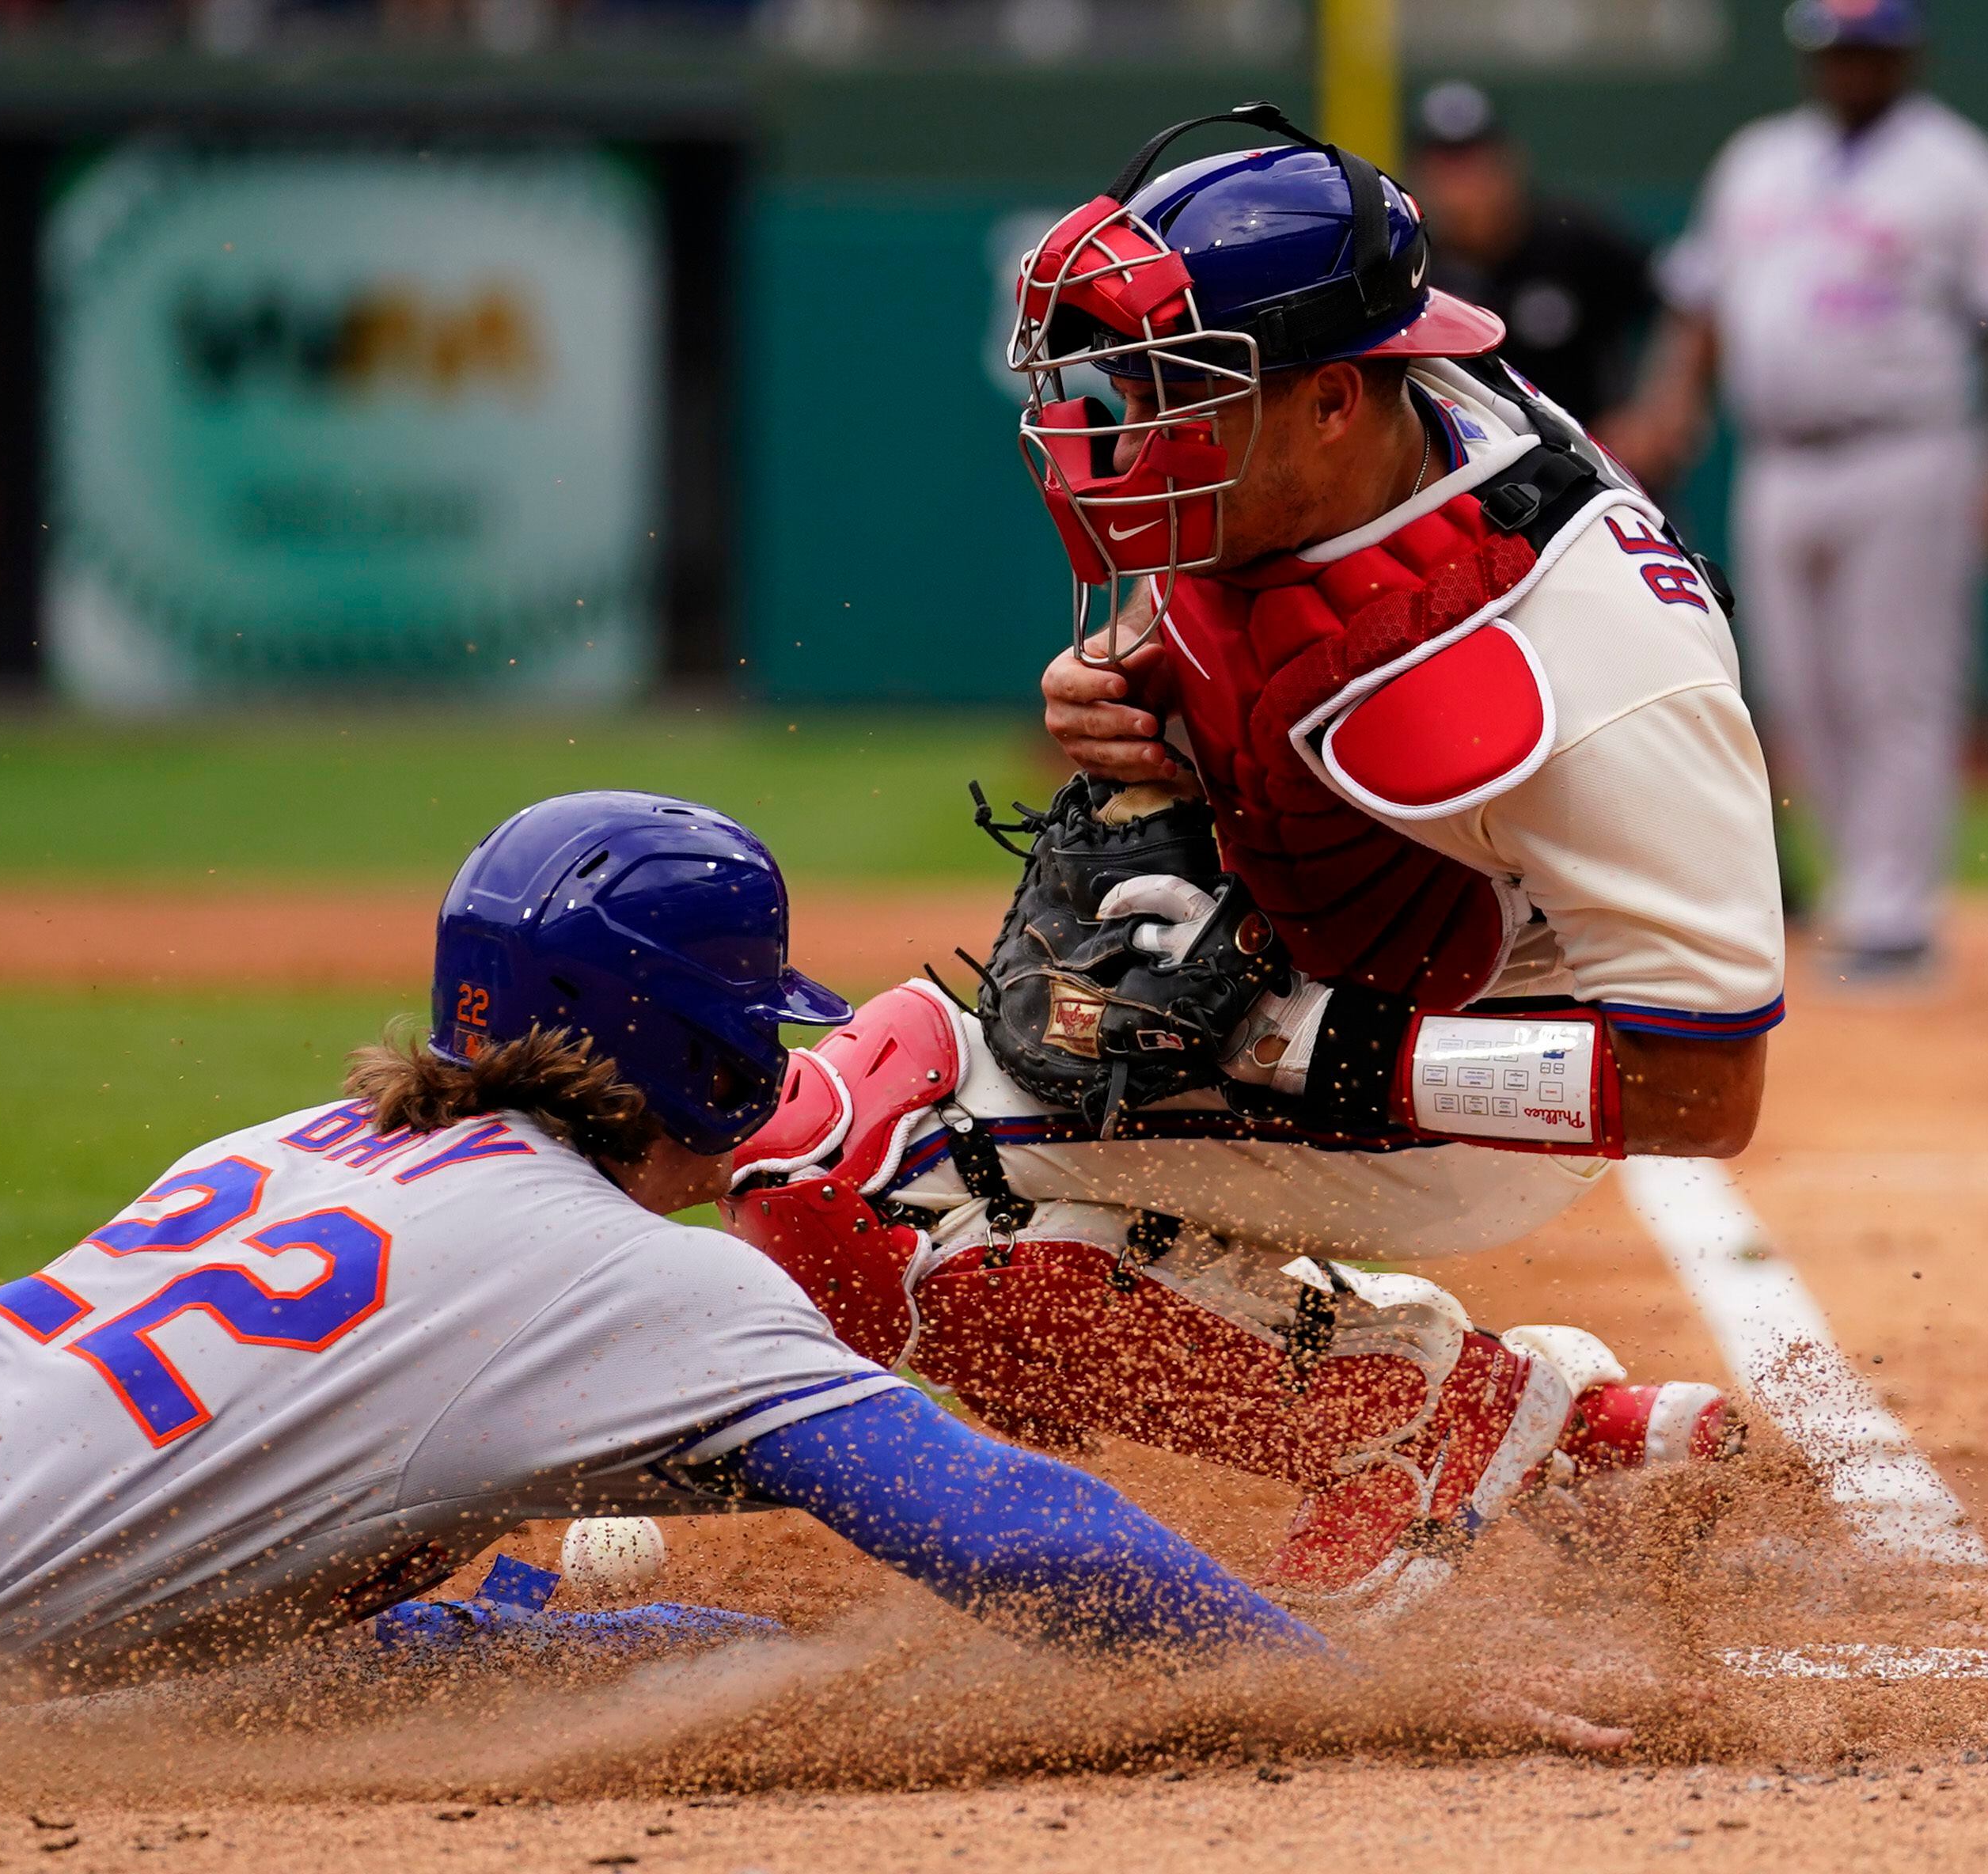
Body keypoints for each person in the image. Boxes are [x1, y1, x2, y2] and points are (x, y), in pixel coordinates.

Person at [0, 792, 1342, 1716]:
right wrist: (1333, 1695)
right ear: (692, 1042)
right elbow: (1012, 1526)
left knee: (671, 1666)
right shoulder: (642, 1282)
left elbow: (247, 1566)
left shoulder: (339, 1140)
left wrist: (694, 1655)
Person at [727, 104, 1764, 1618]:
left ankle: (1426, 1423)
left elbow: (1705, 1090)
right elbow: (1274, 625)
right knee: (852, 1134)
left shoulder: (1601, 670)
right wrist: (1134, 685)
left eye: (1181, 390)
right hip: (1333, 942)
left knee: (868, 1179)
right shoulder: (1337, 440)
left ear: (1339, 399)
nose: (1132, 430)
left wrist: (1306, 1047)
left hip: (1465, 1059)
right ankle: (1528, 1423)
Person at [1612, 0, 1988, 984]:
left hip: (1907, 450)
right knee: (1799, 685)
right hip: (1779, 455)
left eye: (1865, 49)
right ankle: (1861, 887)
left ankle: (1894, 910)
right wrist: (1666, 403)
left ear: (1903, 55)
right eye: (1832, 50)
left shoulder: (1958, 169)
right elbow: (1699, 304)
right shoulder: (1760, 159)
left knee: (1893, 681)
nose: (1847, 67)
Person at [1408, 80, 1659, 428]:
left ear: (1507, 162)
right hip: (1467, 465)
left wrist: (1650, 413)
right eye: (1447, 167)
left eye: (1473, 162)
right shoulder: (1414, 264)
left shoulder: (1572, 240)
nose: (1462, 186)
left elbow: (1677, 302)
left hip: (1590, 463)